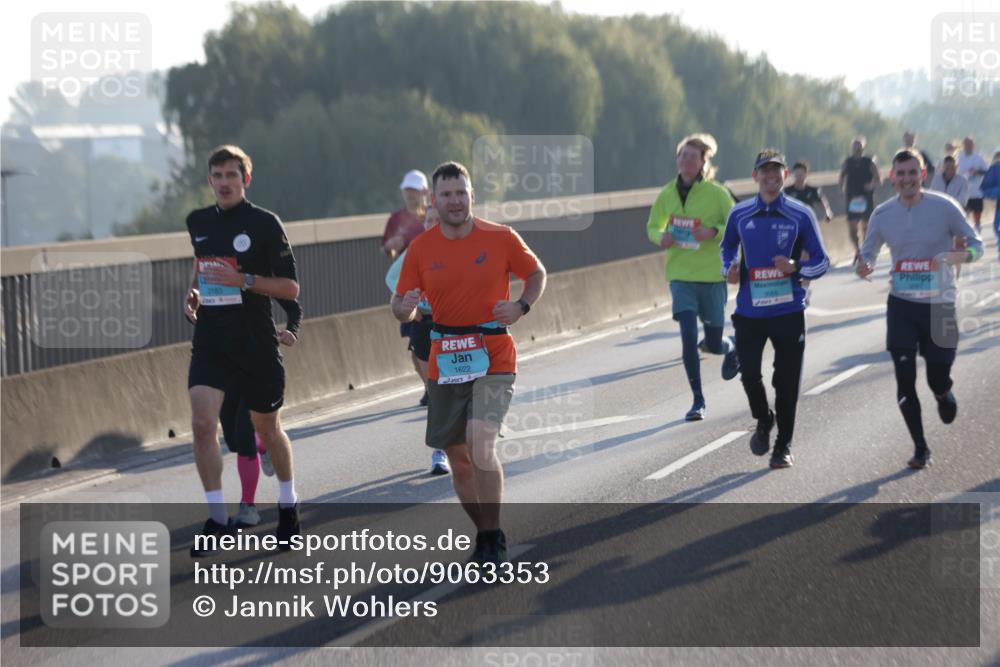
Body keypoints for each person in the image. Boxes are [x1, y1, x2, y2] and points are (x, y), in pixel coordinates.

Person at [392, 161, 546, 565]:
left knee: (480, 443)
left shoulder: (500, 237)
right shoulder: (421, 248)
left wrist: (521, 305)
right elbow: (400, 303)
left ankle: (492, 539)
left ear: (472, 195)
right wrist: (406, 308)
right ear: (434, 200)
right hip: (445, 357)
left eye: (461, 192)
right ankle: (486, 532)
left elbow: (536, 273)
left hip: (493, 352)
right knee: (459, 461)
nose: (455, 201)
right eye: (446, 195)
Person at [183, 145, 301, 556]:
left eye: (232, 175)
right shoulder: (197, 221)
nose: (224, 183)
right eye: (217, 176)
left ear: (245, 179)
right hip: (211, 340)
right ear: (210, 181)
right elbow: (201, 264)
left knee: (268, 430)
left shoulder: (265, 223)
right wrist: (193, 293)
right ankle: (217, 519)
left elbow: (290, 288)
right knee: (202, 424)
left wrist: (244, 280)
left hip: (254, 341)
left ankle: (287, 504)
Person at [857, 148, 983, 469]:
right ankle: (920, 447)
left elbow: (977, 245)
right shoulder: (882, 214)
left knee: (937, 376)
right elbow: (867, 252)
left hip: (940, 305)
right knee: (904, 379)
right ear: (892, 178)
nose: (907, 179)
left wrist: (960, 256)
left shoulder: (945, 207)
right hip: (902, 305)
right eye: (900, 174)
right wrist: (864, 265)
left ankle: (943, 392)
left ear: (923, 175)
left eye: (913, 173)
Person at [721, 149, 829, 469]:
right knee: (749, 375)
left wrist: (796, 267)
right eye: (764, 171)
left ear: (785, 175)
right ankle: (764, 418)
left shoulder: (801, 214)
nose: (770, 176)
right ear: (755, 176)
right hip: (750, 312)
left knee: (786, 382)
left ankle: (783, 446)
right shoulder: (740, 214)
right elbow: (727, 248)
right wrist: (729, 268)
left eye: (776, 171)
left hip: (788, 311)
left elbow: (822, 260)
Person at [646, 133, 740, 421]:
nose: (686, 161)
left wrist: (713, 232)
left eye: (692, 157)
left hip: (711, 277)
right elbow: (652, 226)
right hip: (681, 275)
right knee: (688, 335)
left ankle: (732, 346)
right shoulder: (666, 194)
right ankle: (698, 400)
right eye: (683, 155)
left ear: (702, 163)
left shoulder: (717, 193)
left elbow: (736, 224)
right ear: (678, 160)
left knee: (713, 344)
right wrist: (660, 237)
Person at [218, 297, 302, 526]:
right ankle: (264, 445)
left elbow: (292, 305)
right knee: (233, 440)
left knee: (244, 434)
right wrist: (192, 311)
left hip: (260, 363)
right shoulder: (213, 280)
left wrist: (292, 330)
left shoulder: (257, 279)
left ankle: (248, 507)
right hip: (226, 365)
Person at [385, 207, 450, 475]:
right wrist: (412, 304)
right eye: (429, 220)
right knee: (435, 390)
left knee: (458, 388)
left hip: (455, 325)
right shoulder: (416, 250)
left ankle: (463, 437)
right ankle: (440, 450)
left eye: (438, 220)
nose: (433, 224)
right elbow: (392, 278)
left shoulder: (461, 247)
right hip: (424, 323)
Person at [383, 170, 433, 407]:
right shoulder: (396, 219)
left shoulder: (435, 215)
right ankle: (430, 388)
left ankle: (440, 388)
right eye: (407, 190)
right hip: (408, 291)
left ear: (425, 192)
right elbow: (388, 252)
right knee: (415, 347)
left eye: (415, 190)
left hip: (436, 289)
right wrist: (390, 248)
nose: (411, 194)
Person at [783, 160, 833, 306]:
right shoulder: (787, 191)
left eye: (801, 175)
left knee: (806, 259)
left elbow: (822, 202)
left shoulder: (812, 190)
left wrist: (827, 213)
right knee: (791, 262)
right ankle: (796, 287)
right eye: (797, 175)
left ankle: (804, 290)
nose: (799, 177)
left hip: (807, 231)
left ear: (806, 174)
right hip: (790, 231)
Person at [838, 137, 882, 261]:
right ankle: (857, 250)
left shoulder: (869, 162)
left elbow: (878, 180)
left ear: (863, 148)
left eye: (859, 146)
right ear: (852, 148)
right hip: (852, 197)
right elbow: (841, 178)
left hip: (866, 197)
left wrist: (871, 185)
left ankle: (864, 249)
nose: (857, 148)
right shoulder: (848, 162)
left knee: (866, 227)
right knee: (852, 227)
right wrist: (840, 190)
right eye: (855, 146)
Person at [957, 136, 989, 233]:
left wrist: (977, 172)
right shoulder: (959, 158)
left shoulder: (979, 158)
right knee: (963, 215)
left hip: (977, 191)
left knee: (977, 215)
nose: (968, 146)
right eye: (966, 144)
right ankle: (965, 234)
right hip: (963, 192)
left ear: (973, 145)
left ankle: (978, 231)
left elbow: (987, 171)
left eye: (970, 144)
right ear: (963, 145)